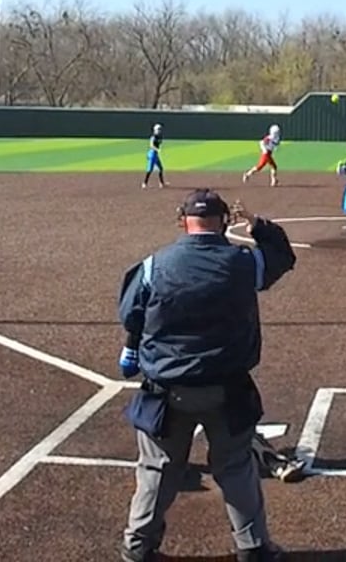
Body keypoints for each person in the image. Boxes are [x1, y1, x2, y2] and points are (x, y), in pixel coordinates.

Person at [116, 189, 297, 562]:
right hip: (227, 390)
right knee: (236, 468)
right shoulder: (244, 262)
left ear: (182, 221)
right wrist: (257, 224)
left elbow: (130, 314)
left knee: (157, 470)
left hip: (166, 389)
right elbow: (282, 255)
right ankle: (252, 547)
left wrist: (136, 348)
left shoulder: (153, 265)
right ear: (225, 222)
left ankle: (138, 546)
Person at [143, 123, 166, 189]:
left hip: (155, 154)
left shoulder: (159, 136)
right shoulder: (153, 137)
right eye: (159, 129)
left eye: (160, 129)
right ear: (155, 130)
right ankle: (144, 183)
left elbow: (160, 142)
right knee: (150, 169)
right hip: (152, 154)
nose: (160, 131)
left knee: (161, 168)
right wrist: (157, 149)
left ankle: (161, 183)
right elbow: (151, 145)